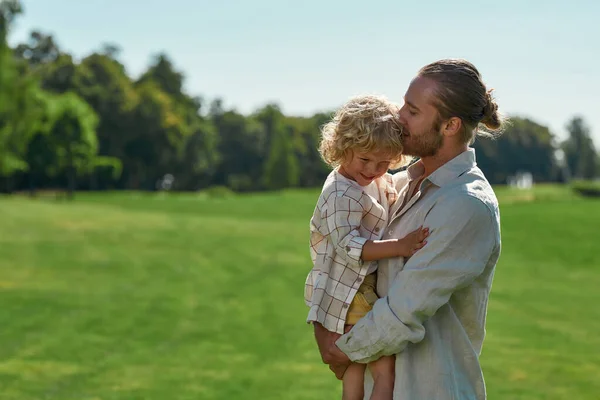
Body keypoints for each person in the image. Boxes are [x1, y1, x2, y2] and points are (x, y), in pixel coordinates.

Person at [313, 59, 506, 400]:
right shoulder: (398, 185)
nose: (399, 116)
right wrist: (323, 320)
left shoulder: (465, 204)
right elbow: (340, 251)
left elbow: (403, 311)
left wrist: (339, 349)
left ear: (450, 125)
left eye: (413, 111)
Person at [304, 94, 429, 400]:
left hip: (361, 289)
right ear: (342, 148)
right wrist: (399, 246)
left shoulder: (369, 179)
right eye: (365, 160)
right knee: (371, 369)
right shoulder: (340, 194)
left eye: (384, 163)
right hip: (350, 295)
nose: (374, 169)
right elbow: (349, 245)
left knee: (365, 371)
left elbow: (386, 193)